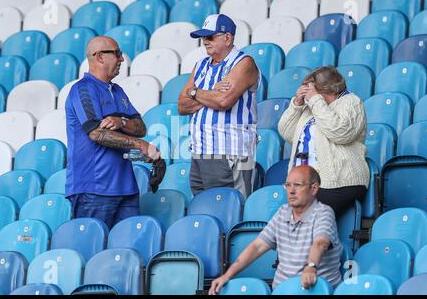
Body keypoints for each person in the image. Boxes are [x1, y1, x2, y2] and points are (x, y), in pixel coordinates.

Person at [65, 36, 161, 229]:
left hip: (126, 188)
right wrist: (139, 145)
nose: (122, 59)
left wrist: (121, 121)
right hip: (94, 188)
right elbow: (96, 133)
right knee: (93, 251)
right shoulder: (83, 89)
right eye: (117, 53)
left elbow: (140, 127)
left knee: (127, 253)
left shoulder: (117, 90)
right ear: (100, 57)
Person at [209, 165, 343, 294]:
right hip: (283, 290)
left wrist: (311, 267)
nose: (291, 191)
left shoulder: (324, 212)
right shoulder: (282, 212)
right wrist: (227, 275)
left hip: (315, 290)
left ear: (314, 188)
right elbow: (257, 247)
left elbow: (320, 243)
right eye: (288, 185)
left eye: (297, 185)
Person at [178, 14, 260, 200]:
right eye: (203, 37)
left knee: (228, 209)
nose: (205, 41)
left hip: (229, 151)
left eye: (210, 37)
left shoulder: (243, 62)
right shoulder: (201, 64)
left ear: (228, 38)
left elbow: (223, 101)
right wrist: (209, 93)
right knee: (205, 209)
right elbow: (182, 105)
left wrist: (195, 92)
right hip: (200, 152)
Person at [278, 66, 369, 219]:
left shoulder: (351, 102)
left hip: (339, 181)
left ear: (326, 89)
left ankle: (321, 242)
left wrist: (315, 100)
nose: (308, 93)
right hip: (307, 182)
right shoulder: (311, 107)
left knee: (304, 218)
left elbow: (340, 132)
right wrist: (297, 105)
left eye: (311, 89)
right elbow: (287, 132)